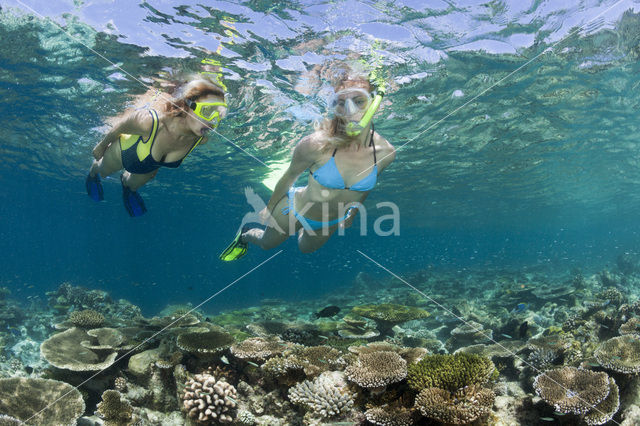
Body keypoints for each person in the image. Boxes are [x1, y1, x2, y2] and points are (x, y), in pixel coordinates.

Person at [219, 67, 395, 260]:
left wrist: (352, 213)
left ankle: (300, 230)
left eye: (359, 101)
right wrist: (268, 209)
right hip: (293, 210)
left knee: (306, 249)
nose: (350, 111)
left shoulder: (386, 153)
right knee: (266, 244)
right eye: (341, 103)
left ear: (374, 102)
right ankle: (244, 235)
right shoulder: (316, 144)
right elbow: (289, 177)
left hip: (331, 221)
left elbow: (365, 188)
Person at [85, 75, 227, 216]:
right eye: (207, 111)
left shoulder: (200, 140)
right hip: (124, 153)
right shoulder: (151, 122)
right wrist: (101, 146)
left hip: (147, 168)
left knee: (132, 186)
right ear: (187, 105)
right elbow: (120, 127)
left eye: (218, 114)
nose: (213, 121)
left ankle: (127, 187)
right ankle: (92, 174)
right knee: (102, 171)